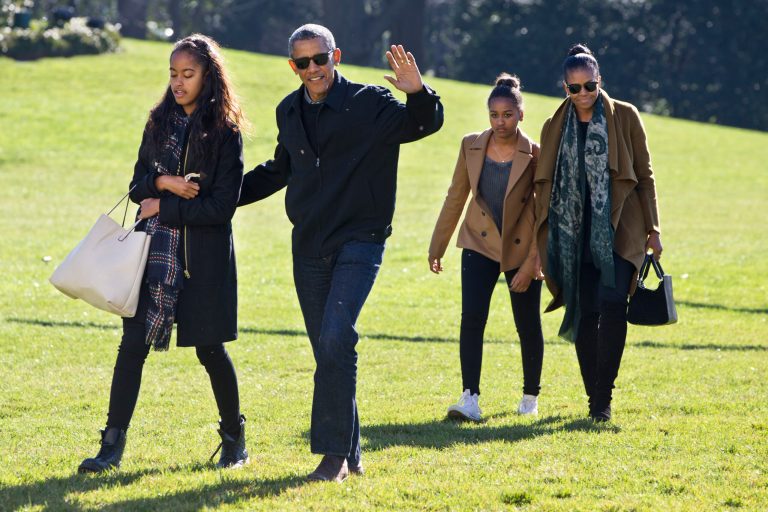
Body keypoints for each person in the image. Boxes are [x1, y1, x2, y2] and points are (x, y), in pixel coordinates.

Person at [238, 24, 443, 482]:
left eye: (320, 59)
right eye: (303, 62)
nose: (312, 68)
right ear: (293, 66)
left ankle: (333, 460)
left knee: (335, 339)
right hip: (309, 245)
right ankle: (352, 452)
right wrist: (220, 196)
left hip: (360, 240)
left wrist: (419, 93)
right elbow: (279, 170)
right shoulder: (289, 110)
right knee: (328, 352)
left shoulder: (370, 102)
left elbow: (421, 124)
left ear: (336, 56)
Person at [78, 34, 248, 472]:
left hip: (202, 263)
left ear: (208, 76)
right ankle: (110, 446)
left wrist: (164, 206)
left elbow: (220, 208)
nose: (178, 82)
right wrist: (162, 183)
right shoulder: (158, 122)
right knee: (131, 346)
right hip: (151, 259)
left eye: (188, 74)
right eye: (173, 74)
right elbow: (137, 186)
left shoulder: (225, 135)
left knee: (210, 350)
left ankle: (234, 440)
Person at [531, 44, 663, 422]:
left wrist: (653, 229)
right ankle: (595, 396)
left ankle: (603, 398)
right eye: (575, 88)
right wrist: (543, 244)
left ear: (599, 80)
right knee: (585, 313)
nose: (584, 93)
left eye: (590, 85)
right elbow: (544, 186)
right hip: (573, 232)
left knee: (613, 303)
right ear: (565, 88)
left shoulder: (626, 116)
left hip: (620, 228)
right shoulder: (554, 125)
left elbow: (645, 176)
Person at [428, 74, 544, 422]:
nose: (500, 121)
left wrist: (533, 263)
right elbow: (456, 196)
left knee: (527, 323)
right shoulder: (471, 145)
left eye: (507, 114)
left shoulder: (536, 153)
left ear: (521, 114)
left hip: (521, 248)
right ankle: (470, 397)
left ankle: (530, 397)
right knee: (472, 319)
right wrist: (438, 245)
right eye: (494, 115)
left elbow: (545, 212)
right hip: (478, 241)